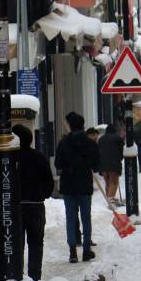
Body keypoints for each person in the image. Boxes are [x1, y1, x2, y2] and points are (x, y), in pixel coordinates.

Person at [0, 124, 55, 280]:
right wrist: (42, 194)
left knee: (16, 243)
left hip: (13, 207)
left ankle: (17, 275)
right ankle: (35, 277)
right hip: (35, 206)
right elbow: (49, 182)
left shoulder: (5, 158)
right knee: (36, 243)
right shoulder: (39, 157)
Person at [54, 112, 100, 263]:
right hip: (85, 185)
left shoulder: (63, 143)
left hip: (68, 186)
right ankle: (86, 250)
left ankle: (73, 251)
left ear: (70, 126)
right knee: (86, 218)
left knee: (71, 218)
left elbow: (57, 164)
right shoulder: (90, 143)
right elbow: (96, 165)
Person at [98, 121, 124, 207]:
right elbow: (121, 151)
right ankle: (110, 201)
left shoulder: (101, 139)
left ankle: (110, 199)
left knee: (108, 182)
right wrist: (120, 158)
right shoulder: (118, 138)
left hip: (103, 164)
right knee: (114, 182)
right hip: (114, 163)